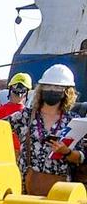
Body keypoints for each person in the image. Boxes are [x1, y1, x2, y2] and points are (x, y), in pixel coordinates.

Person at [10, 63, 83, 195]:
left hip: (60, 191)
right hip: (25, 188)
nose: (51, 90)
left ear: (67, 92)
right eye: (48, 86)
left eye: (57, 87)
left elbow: (81, 157)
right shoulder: (24, 116)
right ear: (41, 89)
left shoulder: (74, 121)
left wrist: (66, 152)